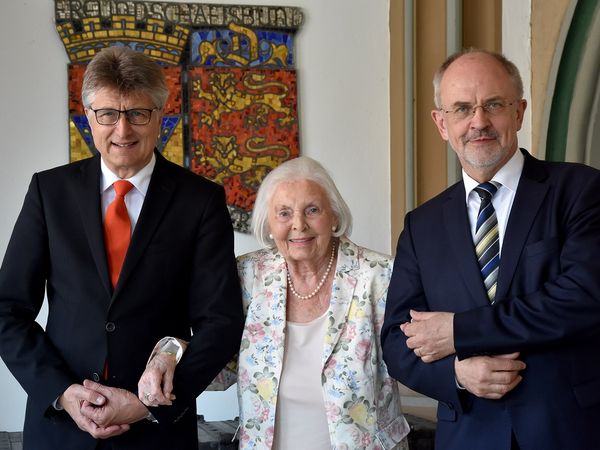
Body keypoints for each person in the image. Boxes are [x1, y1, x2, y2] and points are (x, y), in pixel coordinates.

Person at [0, 46, 244, 450]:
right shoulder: (49, 192)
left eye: (138, 114)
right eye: (108, 114)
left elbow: (220, 322)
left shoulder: (200, 201)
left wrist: (145, 405)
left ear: (161, 117)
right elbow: (8, 309)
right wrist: (62, 393)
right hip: (61, 431)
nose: (123, 130)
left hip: (158, 431)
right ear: (88, 118)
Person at [381, 48, 600, 450]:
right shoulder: (422, 225)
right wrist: (456, 375)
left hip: (568, 431)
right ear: (441, 124)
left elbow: (584, 296)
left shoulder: (581, 190)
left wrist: (459, 331)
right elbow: (396, 340)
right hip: (468, 435)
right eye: (462, 109)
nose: (478, 122)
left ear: (519, 112)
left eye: (493, 105)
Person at [139, 156, 410, 449]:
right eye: (284, 213)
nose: (298, 225)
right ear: (268, 223)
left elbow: (413, 359)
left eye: (312, 210)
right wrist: (169, 354)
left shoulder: (380, 275)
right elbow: (219, 365)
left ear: (334, 215)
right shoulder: (247, 275)